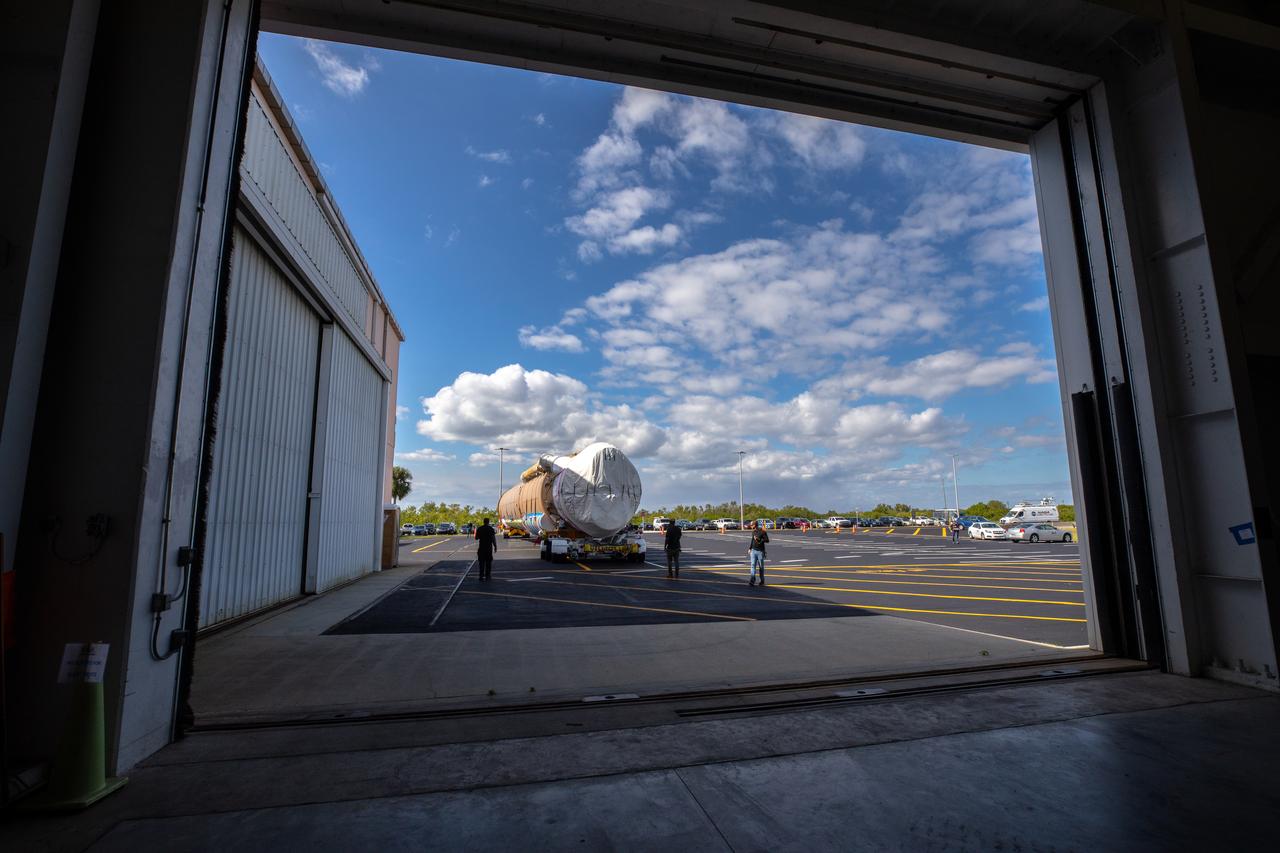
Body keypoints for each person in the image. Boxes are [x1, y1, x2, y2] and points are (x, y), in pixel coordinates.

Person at [748, 522, 769, 586]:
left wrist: (759, 539)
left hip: (760, 551)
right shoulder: (753, 532)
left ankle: (762, 581)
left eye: (752, 525)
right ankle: (752, 580)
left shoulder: (762, 531)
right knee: (753, 565)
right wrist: (750, 548)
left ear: (755, 525)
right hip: (753, 551)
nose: (751, 526)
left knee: (761, 567)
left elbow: (767, 540)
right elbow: (752, 540)